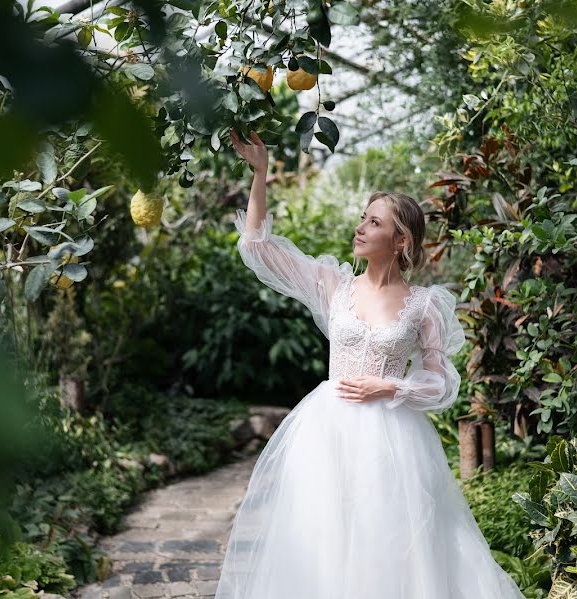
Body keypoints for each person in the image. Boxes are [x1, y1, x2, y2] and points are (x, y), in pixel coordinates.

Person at [214, 129, 525, 599]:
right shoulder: (332, 284)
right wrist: (260, 173)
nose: (360, 227)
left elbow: (441, 384)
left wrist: (391, 389)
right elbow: (257, 247)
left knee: (390, 544)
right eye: (363, 218)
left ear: (400, 240)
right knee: (324, 541)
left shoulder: (424, 306)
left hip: (392, 439)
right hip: (326, 431)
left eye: (373, 222)